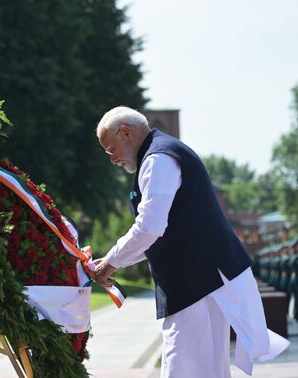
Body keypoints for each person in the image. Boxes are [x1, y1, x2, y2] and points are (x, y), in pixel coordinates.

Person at [93, 106, 289, 378]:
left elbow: (150, 227)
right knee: (206, 369)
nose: (111, 158)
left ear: (125, 132)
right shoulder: (162, 153)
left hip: (198, 283)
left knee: (184, 368)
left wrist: (112, 262)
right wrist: (111, 260)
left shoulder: (158, 159)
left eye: (110, 149)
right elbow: (159, 230)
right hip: (201, 281)